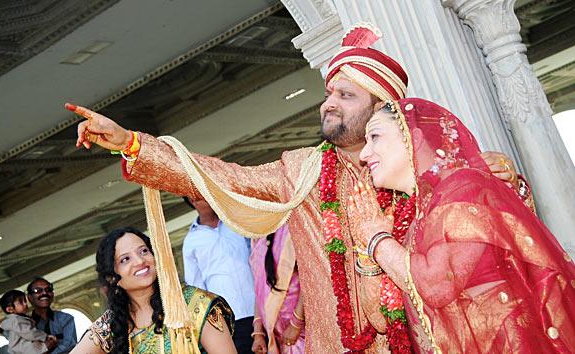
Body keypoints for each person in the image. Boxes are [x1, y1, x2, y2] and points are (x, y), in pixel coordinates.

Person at [66, 24, 525, 353]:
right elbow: (219, 178)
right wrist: (130, 143)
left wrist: (503, 185)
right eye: (329, 93)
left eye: (346, 96)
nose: (329, 103)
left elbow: (492, 242)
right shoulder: (303, 171)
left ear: (382, 108)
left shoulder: (423, 170)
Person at [347, 100, 575, 353]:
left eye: (374, 137)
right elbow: (381, 319)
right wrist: (368, 246)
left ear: (413, 136)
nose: (364, 154)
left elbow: (436, 285)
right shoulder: (415, 220)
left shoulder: (464, 188)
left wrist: (377, 239)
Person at [70, 226, 236, 353]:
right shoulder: (112, 325)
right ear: (112, 278)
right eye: (125, 259)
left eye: (144, 251)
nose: (140, 261)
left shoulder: (195, 304)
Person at [182, 197, 255, 353]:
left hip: (260, 311)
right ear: (191, 201)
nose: (202, 198)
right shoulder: (191, 241)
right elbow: (196, 289)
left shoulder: (236, 223)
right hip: (229, 322)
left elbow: (257, 260)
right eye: (196, 196)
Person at [250, 225, 305, 354]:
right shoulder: (257, 234)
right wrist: (258, 332)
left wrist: (295, 324)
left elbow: (309, 278)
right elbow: (260, 289)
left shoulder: (294, 227)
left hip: (300, 333)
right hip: (275, 336)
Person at [0, 289, 57, 354]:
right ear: (10, 309)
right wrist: (45, 336)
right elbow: (31, 333)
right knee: (49, 344)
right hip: (23, 348)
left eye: (25, 300)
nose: (25, 304)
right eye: (21, 302)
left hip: (19, 347)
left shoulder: (16, 319)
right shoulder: (16, 321)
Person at [27, 277, 76, 353]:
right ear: (29, 297)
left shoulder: (66, 319)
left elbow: (70, 346)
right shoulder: (24, 325)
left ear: (52, 294)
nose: (44, 293)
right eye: (38, 291)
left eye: (48, 290)